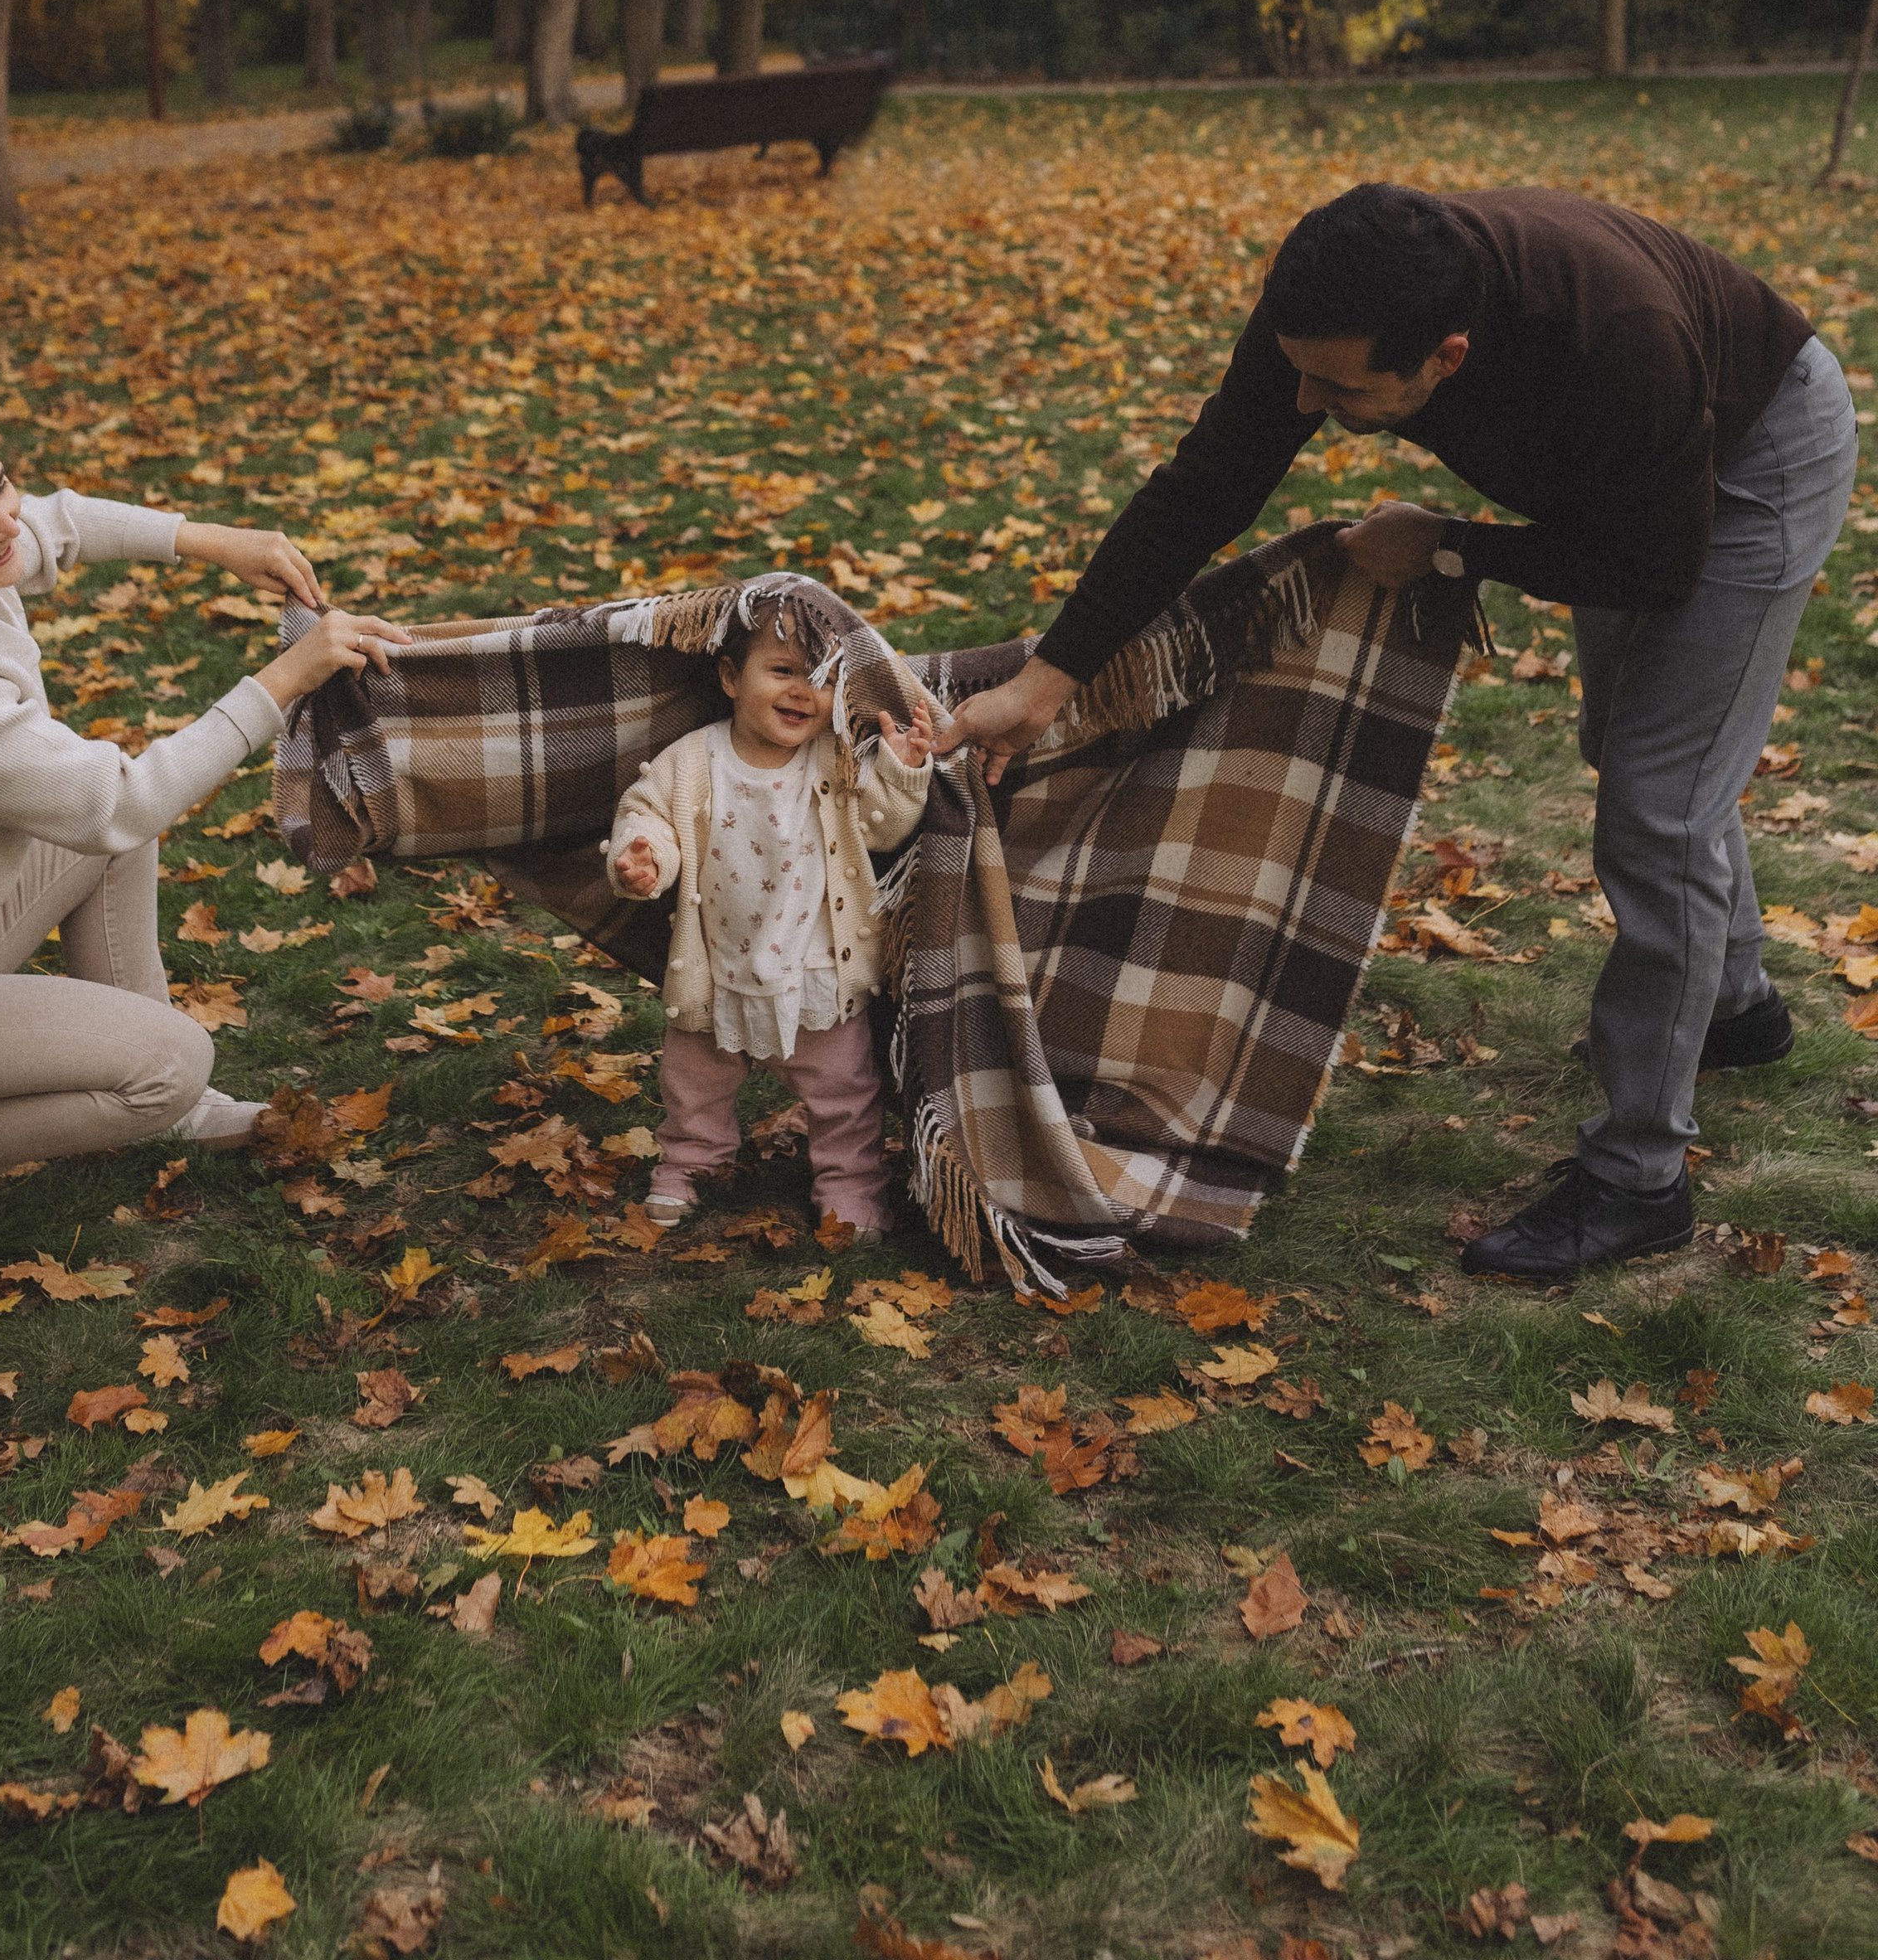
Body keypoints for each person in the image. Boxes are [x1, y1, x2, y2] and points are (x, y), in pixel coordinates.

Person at [937, 182, 1857, 1278]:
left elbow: (1655, 566)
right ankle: (1736, 1006)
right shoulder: (1331, 301)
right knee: (1634, 751)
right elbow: (1208, 486)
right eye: (1300, 373)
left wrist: (1453, 546)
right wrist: (1047, 682)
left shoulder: (1616, 342)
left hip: (1750, 459)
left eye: (1342, 387)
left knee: (1661, 813)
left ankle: (1641, 1179)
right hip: (1613, 475)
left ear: (1447, 357)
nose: (1309, 401)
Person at [0, 391, 407, 1278]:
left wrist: (213, 539)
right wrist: (282, 680)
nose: (5, 525)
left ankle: (162, 1093)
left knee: (104, 850)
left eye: (2, 485)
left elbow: (59, 525)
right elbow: (125, 800)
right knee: (167, 1060)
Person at [606, 606, 934, 1243]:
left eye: (820, 678)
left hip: (815, 973)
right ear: (731, 677)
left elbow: (885, 828)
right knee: (694, 1085)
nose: (800, 691)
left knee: (845, 1097)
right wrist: (642, 857)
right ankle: (691, 1164)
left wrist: (900, 769)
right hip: (717, 966)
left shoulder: (836, 760)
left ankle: (848, 1186)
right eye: (781, 670)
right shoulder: (692, 762)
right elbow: (651, 817)